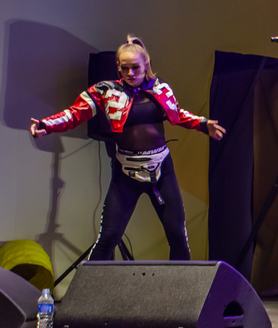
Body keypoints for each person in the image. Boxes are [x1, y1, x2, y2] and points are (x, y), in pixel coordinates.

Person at [31, 36, 225, 260]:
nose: (130, 73)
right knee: (108, 237)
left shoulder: (160, 88)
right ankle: (92, 283)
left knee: (177, 235)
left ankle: (182, 284)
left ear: (146, 65)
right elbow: (75, 113)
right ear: (118, 67)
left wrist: (203, 124)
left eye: (135, 68)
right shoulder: (106, 91)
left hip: (160, 169)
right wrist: (46, 125)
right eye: (125, 68)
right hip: (125, 172)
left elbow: (177, 114)